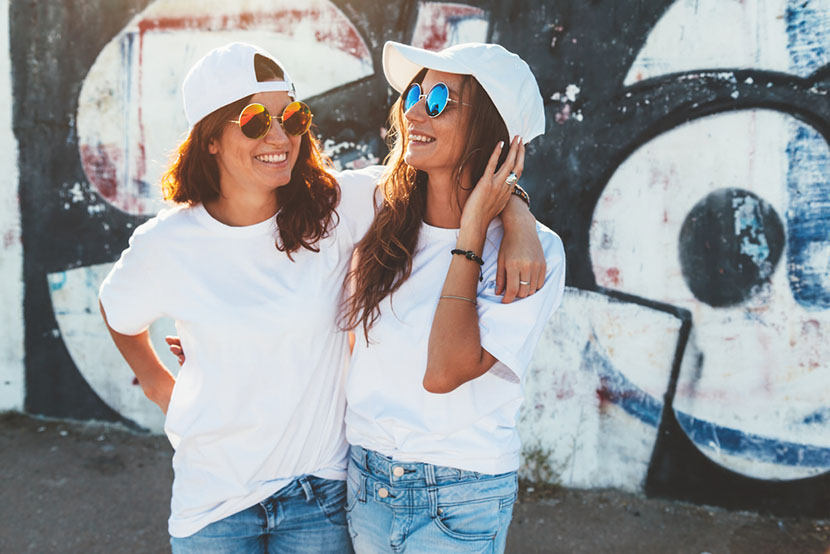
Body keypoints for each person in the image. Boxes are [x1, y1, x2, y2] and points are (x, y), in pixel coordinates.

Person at [99, 42, 544, 553]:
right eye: (252, 121)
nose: (278, 135)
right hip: (214, 499)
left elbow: (446, 186)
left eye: (291, 116)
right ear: (210, 139)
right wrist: (161, 388)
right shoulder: (168, 243)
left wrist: (518, 215)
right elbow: (118, 312)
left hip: (320, 493)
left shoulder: (334, 207)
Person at [340, 41, 566, 553]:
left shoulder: (531, 254)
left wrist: (477, 232)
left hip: (461, 491)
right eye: (415, 92)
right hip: (366, 477)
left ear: (493, 131)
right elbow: (264, 203)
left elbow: (445, 371)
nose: (415, 109)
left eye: (440, 99)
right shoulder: (372, 204)